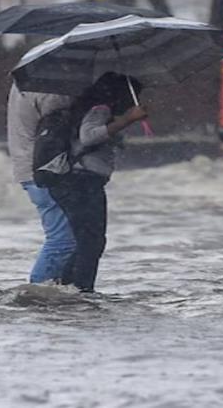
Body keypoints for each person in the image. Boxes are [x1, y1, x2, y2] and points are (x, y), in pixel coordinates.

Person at [48, 72, 149, 292]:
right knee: (91, 242)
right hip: (83, 182)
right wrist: (127, 120)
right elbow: (89, 136)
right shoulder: (100, 108)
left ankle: (65, 288)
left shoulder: (90, 108)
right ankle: (81, 291)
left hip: (76, 182)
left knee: (89, 240)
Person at [7, 82, 77, 284]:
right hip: (44, 169)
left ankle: (55, 295)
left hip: (30, 167)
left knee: (63, 239)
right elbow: (61, 123)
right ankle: (37, 294)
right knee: (63, 241)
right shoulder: (50, 90)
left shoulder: (25, 82)